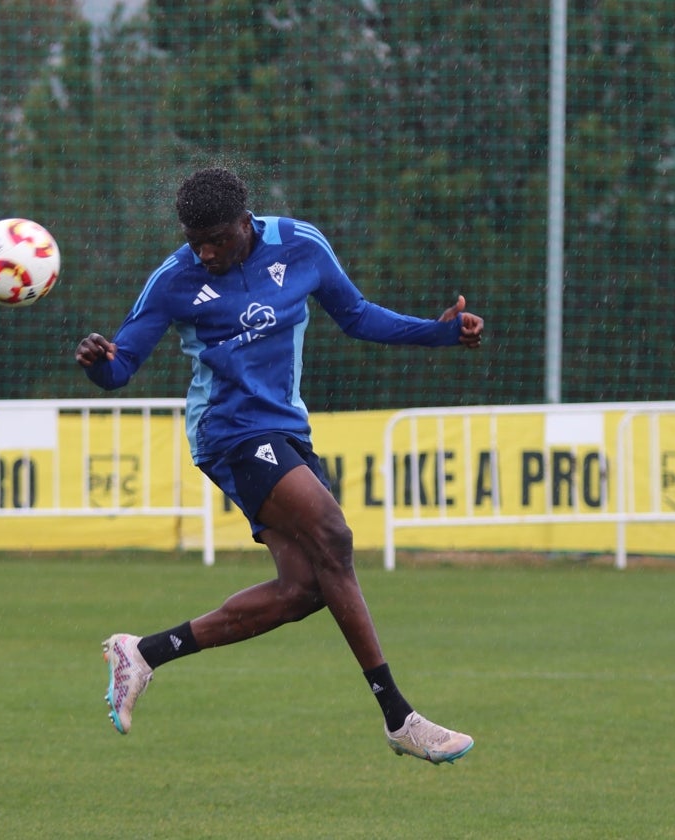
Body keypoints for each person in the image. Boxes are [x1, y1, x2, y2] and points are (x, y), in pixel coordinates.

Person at [75, 166, 484, 764]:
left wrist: (440, 334)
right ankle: (399, 717)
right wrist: (96, 361)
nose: (205, 251)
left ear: (246, 223)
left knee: (304, 590)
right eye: (195, 240)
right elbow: (118, 369)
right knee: (333, 534)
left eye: (216, 238)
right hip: (228, 431)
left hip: (286, 428)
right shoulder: (173, 279)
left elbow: (357, 315)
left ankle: (143, 653)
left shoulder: (301, 245)